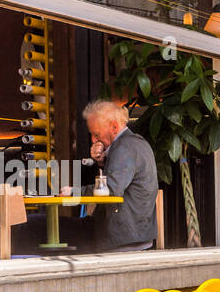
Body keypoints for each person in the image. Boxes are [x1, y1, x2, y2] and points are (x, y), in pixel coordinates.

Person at [61, 100, 160, 252]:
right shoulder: (136, 142)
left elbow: (111, 189)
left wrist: (73, 192)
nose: (94, 140)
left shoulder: (124, 148)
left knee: (49, 229)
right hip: (136, 233)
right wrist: (102, 162)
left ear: (114, 126)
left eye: (96, 134)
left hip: (122, 236)